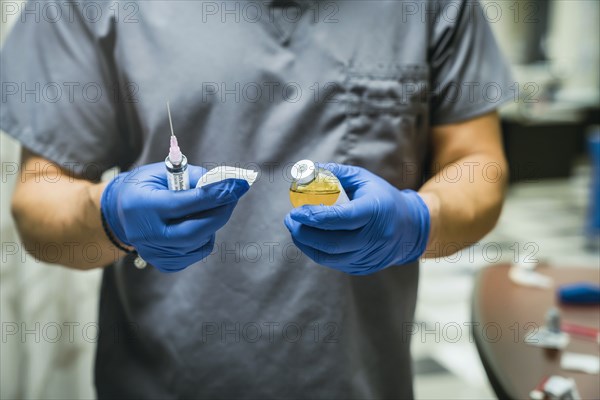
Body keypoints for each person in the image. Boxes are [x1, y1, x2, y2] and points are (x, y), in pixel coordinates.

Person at [2, 0, 512, 397]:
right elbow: (38, 202)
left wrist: (419, 220)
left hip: (361, 383)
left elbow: (478, 166)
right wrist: (108, 217)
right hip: (160, 384)